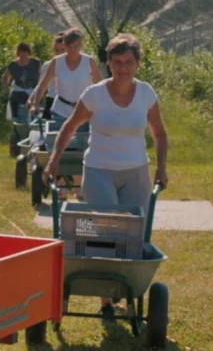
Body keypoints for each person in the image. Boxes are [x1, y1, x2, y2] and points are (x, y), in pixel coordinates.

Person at [43, 33, 169, 318]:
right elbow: (69, 127)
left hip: (136, 171)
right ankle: (105, 302)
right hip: (99, 170)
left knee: (133, 235)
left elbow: (159, 134)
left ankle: (124, 293)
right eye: (117, 62)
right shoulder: (95, 94)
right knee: (107, 232)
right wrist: (53, 161)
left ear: (137, 63)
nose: (123, 68)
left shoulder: (146, 93)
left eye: (129, 62)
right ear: (109, 63)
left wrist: (161, 168)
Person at [28, 27, 102, 121]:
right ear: (65, 45)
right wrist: (35, 104)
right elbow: (43, 85)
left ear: (81, 45)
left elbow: (101, 86)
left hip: (84, 111)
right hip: (60, 111)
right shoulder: (57, 62)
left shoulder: (89, 61)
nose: (72, 50)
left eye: (75, 46)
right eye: (69, 46)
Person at [1, 42, 41, 122]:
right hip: (18, 93)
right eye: (21, 53)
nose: (23, 55)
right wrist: (6, 90)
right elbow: (4, 77)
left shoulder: (36, 63)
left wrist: (40, 91)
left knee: (33, 118)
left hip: (32, 92)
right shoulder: (13, 64)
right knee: (16, 116)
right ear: (18, 53)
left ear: (28, 53)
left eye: (25, 52)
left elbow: (40, 77)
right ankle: (16, 126)